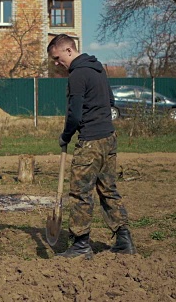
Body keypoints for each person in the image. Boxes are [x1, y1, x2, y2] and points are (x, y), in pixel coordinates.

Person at [47, 34, 136, 259]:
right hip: (109, 137)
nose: (57, 64)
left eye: (57, 58)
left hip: (91, 142)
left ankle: (80, 246)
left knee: (80, 193)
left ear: (68, 50)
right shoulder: (98, 69)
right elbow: (111, 101)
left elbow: (75, 114)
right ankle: (124, 240)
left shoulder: (77, 74)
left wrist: (66, 135)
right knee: (108, 189)